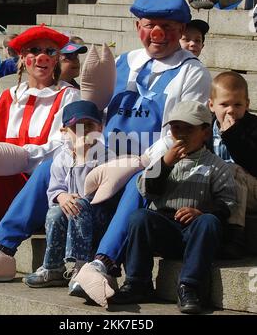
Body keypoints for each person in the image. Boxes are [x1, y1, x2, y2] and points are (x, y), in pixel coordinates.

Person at [0, 0, 210, 283]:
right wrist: (82, 144)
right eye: (150, 25)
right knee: (50, 167)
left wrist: (136, 163)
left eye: (167, 26)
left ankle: (102, 263)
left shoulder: (192, 72)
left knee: (138, 183)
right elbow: (97, 112)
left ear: (180, 29)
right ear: (137, 26)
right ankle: (0, 249)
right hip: (101, 156)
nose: (158, 34)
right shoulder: (124, 61)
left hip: (151, 163)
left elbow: (175, 135)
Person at [0, 25, 80, 273]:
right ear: (22, 57)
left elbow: (65, 149)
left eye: (50, 51)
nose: (42, 57)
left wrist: (20, 156)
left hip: (38, 194)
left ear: (57, 58)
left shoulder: (69, 97)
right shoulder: (5, 97)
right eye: (34, 50)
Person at [107, 101, 237, 314]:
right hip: (166, 227)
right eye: (177, 128)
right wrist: (165, 165)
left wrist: (202, 212)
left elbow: (228, 203)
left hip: (197, 231)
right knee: (139, 218)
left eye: (189, 128)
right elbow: (145, 188)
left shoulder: (216, 166)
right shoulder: (163, 159)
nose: (182, 134)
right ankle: (138, 282)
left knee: (209, 222)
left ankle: (190, 286)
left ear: (205, 133)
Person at [22, 100, 116, 288]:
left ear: (100, 127)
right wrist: (62, 197)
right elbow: (55, 189)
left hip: (96, 217)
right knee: (55, 212)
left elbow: (97, 195)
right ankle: (53, 267)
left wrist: (83, 158)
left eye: (89, 126)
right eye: (77, 127)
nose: (84, 132)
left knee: (79, 206)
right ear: (64, 131)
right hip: (71, 214)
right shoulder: (61, 158)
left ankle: (81, 267)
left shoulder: (107, 157)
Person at [208, 71, 257, 257]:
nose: (231, 110)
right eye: (224, 104)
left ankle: (235, 236)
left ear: (247, 105)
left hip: (250, 189)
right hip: (218, 190)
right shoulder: (205, 129)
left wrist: (233, 137)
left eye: (237, 105)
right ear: (211, 105)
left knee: (232, 169)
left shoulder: (253, 127)